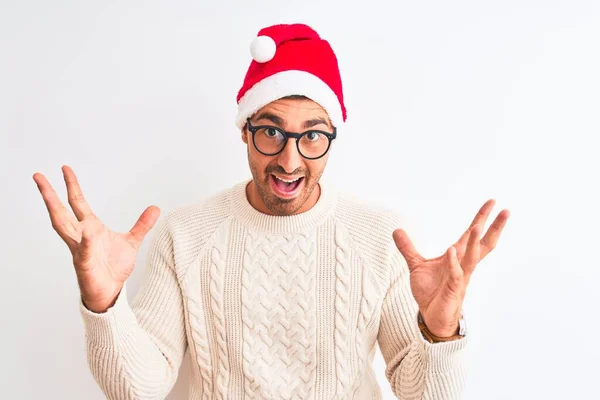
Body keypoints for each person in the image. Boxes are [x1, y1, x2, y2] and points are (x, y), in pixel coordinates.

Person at [33, 23, 510, 400]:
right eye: (271, 131)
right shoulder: (186, 235)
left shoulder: (378, 235)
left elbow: (422, 396)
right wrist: (103, 305)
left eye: (313, 135)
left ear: (331, 138)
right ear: (245, 130)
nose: (289, 159)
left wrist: (441, 329)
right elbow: (137, 389)